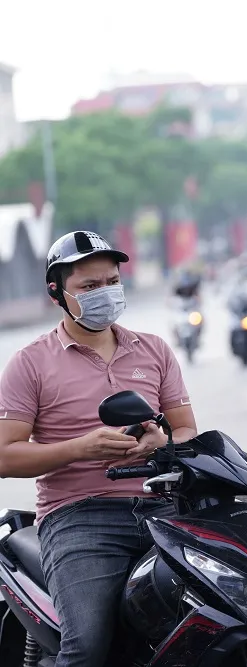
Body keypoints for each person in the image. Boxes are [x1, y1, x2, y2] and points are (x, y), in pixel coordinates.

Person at [0, 231, 199, 667]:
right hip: (79, 516)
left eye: (111, 281)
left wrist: (159, 440)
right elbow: (6, 455)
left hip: (164, 507)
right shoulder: (30, 363)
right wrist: (80, 448)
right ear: (58, 293)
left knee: (217, 620)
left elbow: (185, 431)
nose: (105, 294)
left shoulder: (154, 350)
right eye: (90, 287)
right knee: (88, 648)